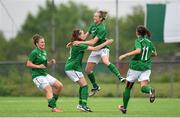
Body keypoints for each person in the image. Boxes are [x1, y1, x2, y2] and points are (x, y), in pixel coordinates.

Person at [73, 10, 125, 96]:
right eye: (94, 16)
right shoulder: (92, 25)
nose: (94, 17)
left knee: (105, 61)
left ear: (100, 18)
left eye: (96, 16)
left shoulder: (102, 28)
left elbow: (93, 42)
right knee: (87, 70)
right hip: (95, 49)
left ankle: (120, 77)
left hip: (103, 48)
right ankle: (95, 86)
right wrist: (74, 41)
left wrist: (80, 42)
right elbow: (85, 37)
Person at [65, 29, 113, 112]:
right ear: (79, 36)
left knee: (83, 85)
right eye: (83, 34)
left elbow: (91, 41)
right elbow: (95, 48)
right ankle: (83, 105)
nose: (85, 35)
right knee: (84, 86)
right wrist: (106, 43)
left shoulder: (77, 43)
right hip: (73, 68)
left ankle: (81, 104)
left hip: (74, 67)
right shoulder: (79, 45)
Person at [118, 25, 157, 114]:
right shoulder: (149, 42)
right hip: (146, 67)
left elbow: (138, 51)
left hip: (135, 67)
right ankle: (150, 90)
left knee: (128, 87)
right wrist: (146, 55)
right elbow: (155, 54)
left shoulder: (138, 41)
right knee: (143, 88)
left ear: (137, 33)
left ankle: (124, 107)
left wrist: (125, 55)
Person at [26, 34, 63, 112]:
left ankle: (51, 103)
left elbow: (45, 65)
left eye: (44, 42)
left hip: (44, 74)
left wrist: (50, 62)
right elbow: (28, 64)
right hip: (37, 76)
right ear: (37, 44)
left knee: (60, 86)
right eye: (41, 42)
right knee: (48, 88)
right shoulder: (34, 52)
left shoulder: (44, 52)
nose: (43, 43)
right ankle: (54, 108)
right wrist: (38, 66)